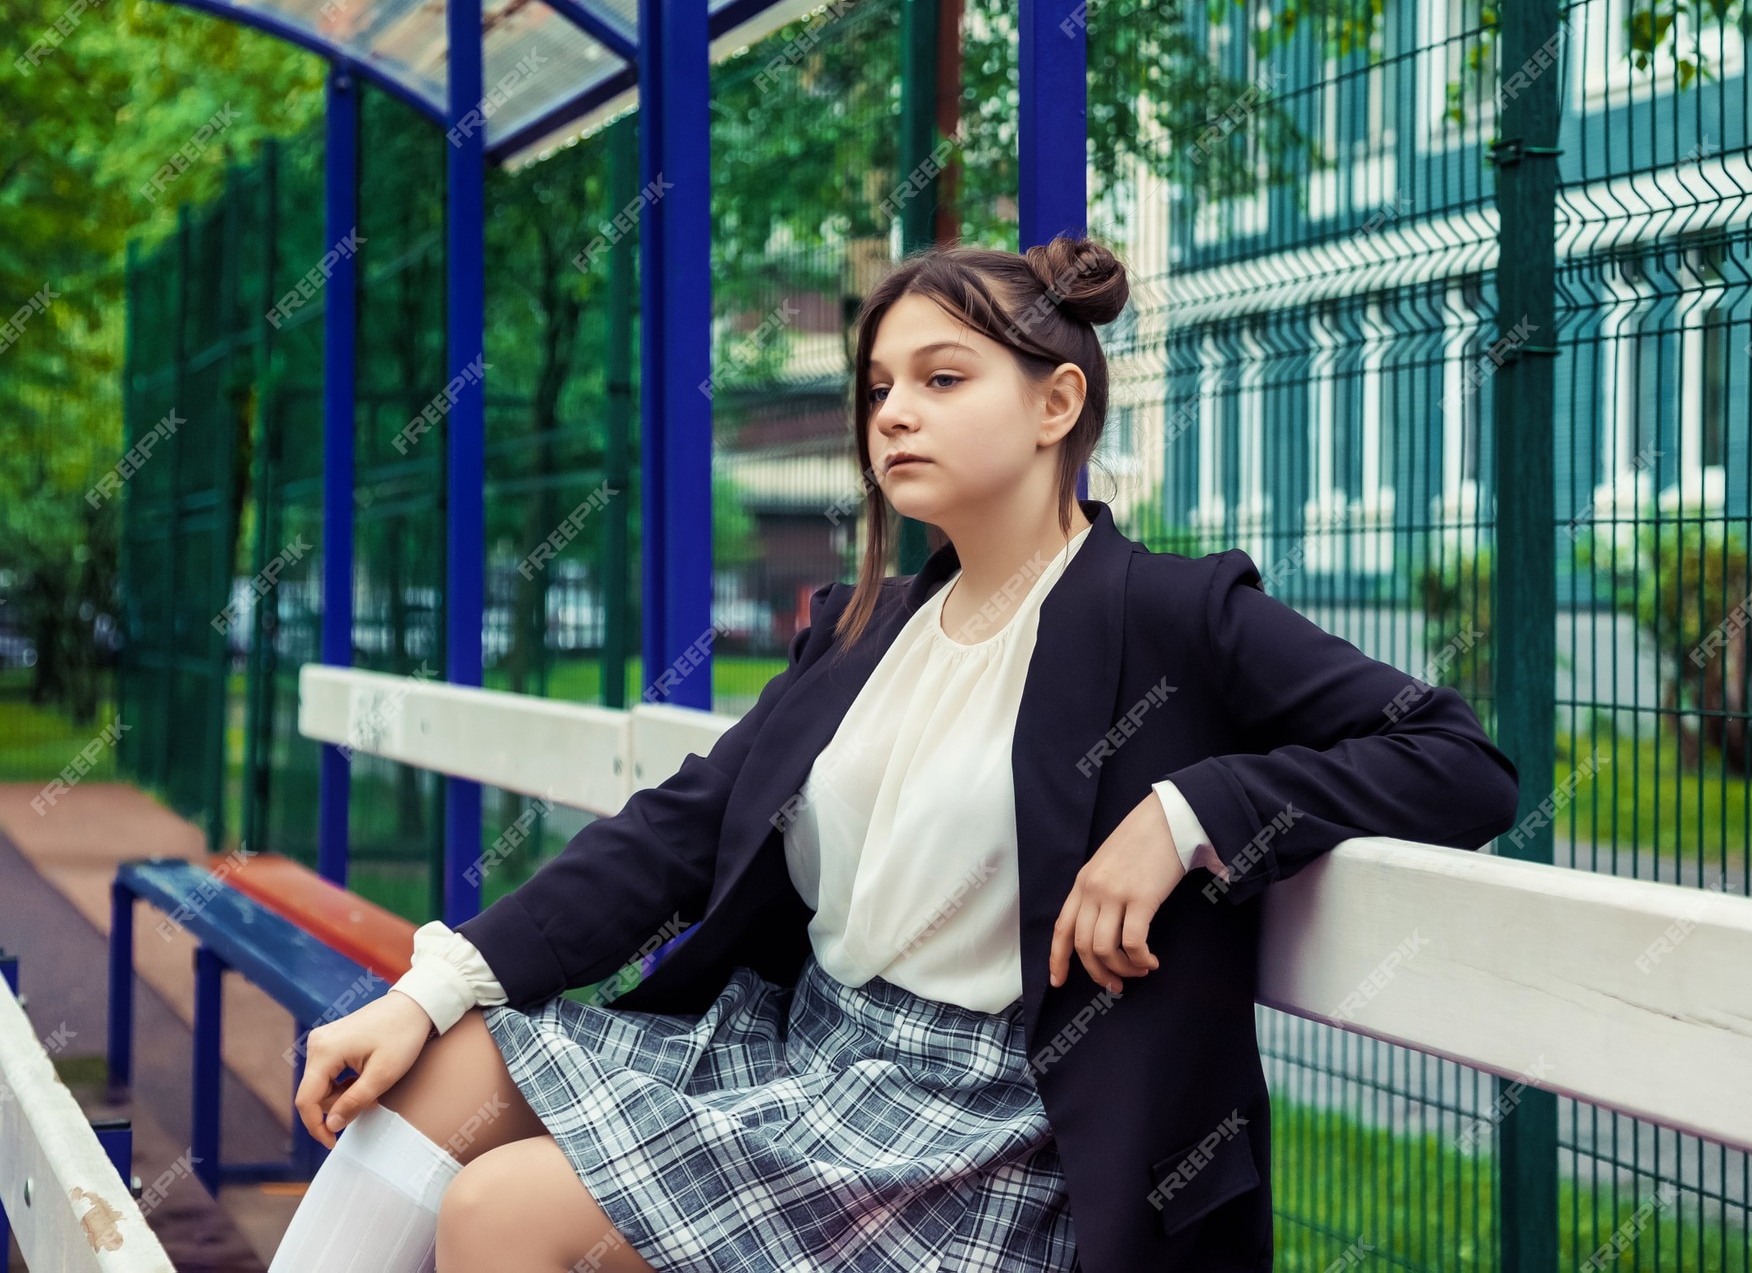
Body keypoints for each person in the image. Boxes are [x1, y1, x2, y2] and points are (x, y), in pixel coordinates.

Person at [268, 234, 1522, 1273]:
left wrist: (1191, 810)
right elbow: (679, 829)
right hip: (807, 1051)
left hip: (984, 1128)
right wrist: (428, 987)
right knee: (442, 1063)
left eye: (940, 378)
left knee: (503, 1211)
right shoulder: (868, 626)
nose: (894, 414)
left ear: (1055, 402)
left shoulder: (1170, 613)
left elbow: (1457, 758)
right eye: (877, 387)